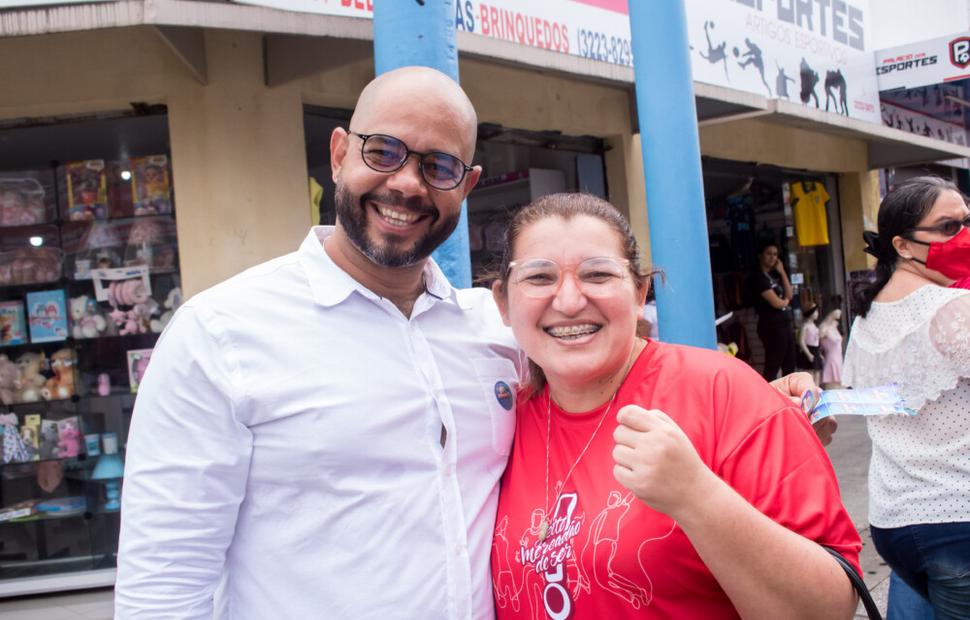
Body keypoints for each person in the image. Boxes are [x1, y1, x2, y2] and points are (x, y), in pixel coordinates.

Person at [115, 67, 823, 619]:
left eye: (438, 165)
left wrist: (751, 404)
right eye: (382, 151)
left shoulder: (492, 334)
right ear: (338, 154)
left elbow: (599, 377)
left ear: (467, 183)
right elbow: (162, 587)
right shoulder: (220, 336)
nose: (405, 182)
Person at [489, 193, 861, 618]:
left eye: (598, 274)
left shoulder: (726, 394)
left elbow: (829, 609)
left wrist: (696, 496)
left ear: (639, 290)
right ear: (502, 302)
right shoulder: (498, 422)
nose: (570, 301)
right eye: (539, 278)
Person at [844, 175, 970, 620]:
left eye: (967, 221)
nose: (965, 235)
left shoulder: (866, 316)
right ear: (902, 245)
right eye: (949, 226)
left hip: (894, 521)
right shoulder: (953, 309)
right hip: (957, 516)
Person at [750, 241, 796, 380]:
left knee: (790, 362)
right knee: (774, 363)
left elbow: (789, 295)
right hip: (771, 326)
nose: (772, 257)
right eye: (769, 254)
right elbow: (776, 303)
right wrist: (785, 303)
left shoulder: (774, 275)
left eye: (775, 254)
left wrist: (782, 272)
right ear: (761, 255)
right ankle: (766, 393)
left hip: (784, 324)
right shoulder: (758, 277)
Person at [818, 307, 844, 388]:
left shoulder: (834, 328)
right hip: (831, 358)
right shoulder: (824, 328)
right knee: (832, 384)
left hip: (839, 358)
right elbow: (819, 339)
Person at [797, 303, 822, 385]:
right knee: (809, 374)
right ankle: (810, 391)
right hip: (809, 350)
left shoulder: (815, 326)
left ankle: (817, 390)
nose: (817, 313)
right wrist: (808, 354)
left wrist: (820, 354)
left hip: (816, 350)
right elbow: (801, 341)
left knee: (817, 372)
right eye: (815, 311)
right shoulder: (805, 326)